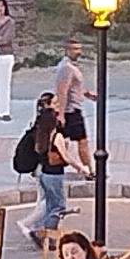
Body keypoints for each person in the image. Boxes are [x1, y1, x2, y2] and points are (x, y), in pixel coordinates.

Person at [16, 93, 84, 247]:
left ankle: (41, 232)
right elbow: (65, 157)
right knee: (57, 207)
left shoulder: (41, 131)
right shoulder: (56, 135)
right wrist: (81, 168)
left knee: (49, 204)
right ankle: (45, 234)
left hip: (44, 172)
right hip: (54, 173)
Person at [55, 40, 96, 179]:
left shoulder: (71, 67)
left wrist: (87, 94)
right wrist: (61, 114)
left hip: (73, 109)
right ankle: (89, 171)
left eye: (79, 49)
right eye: (74, 49)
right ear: (67, 50)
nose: (78, 52)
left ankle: (57, 167)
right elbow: (63, 91)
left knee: (64, 141)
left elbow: (74, 86)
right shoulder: (66, 68)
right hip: (70, 111)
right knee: (81, 141)